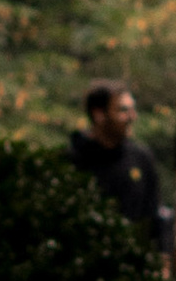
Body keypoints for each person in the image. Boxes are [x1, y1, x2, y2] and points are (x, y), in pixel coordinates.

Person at [69, 81, 170, 253]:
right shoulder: (74, 159)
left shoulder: (141, 158)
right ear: (99, 114)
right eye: (123, 110)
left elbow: (154, 212)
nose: (132, 116)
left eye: (133, 109)